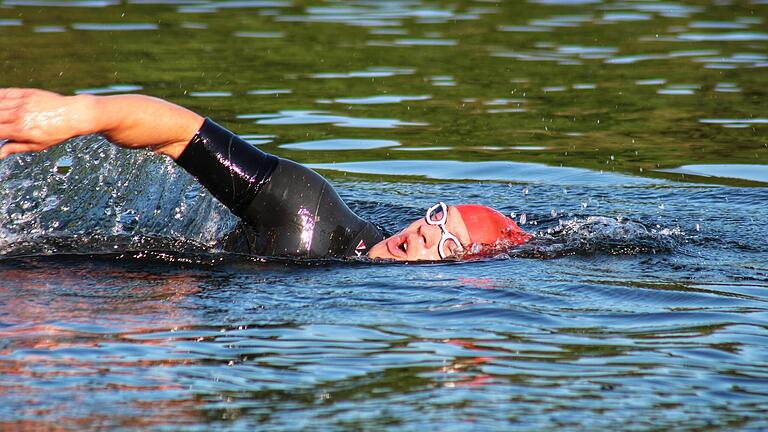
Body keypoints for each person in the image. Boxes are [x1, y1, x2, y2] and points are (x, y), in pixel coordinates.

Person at [0, 88, 532, 261]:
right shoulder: (310, 212)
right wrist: (80, 113)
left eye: (446, 244)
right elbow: (184, 132)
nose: (425, 231)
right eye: (438, 216)